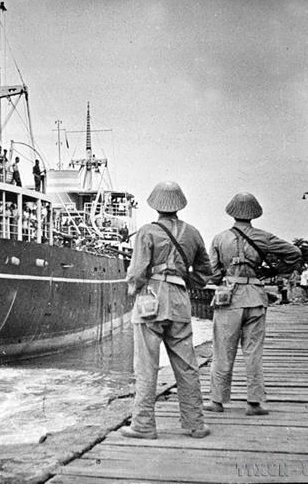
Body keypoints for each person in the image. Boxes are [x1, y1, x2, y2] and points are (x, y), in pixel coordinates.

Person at [122, 181, 212, 440]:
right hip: (180, 301)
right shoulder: (193, 233)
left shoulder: (147, 232)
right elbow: (206, 271)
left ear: (154, 205)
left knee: (146, 367)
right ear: (179, 205)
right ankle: (195, 425)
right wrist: (184, 282)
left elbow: (138, 271)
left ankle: (143, 425)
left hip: (150, 300)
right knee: (187, 366)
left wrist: (134, 289)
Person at [205, 192, 301, 416]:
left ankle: (217, 401)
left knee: (222, 351)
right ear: (254, 214)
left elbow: (213, 273)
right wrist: (276, 271)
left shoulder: (220, 239)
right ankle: (254, 403)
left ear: (231, 212)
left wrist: (222, 277)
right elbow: (294, 252)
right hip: (256, 297)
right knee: (253, 352)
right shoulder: (263, 237)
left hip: (229, 298)